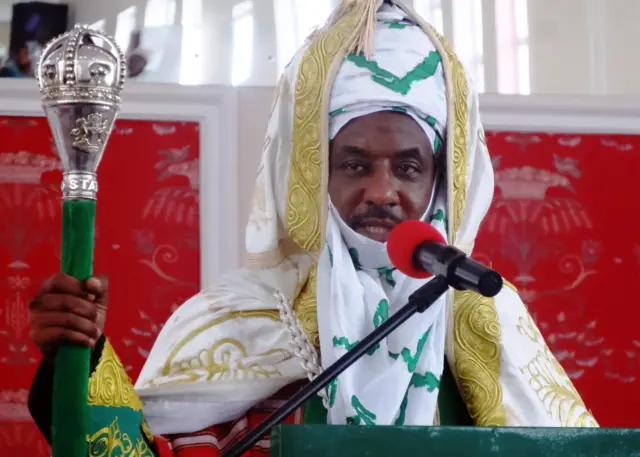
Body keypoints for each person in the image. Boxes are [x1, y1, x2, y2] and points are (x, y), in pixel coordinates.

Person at [27, 1, 598, 456]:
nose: (381, 191)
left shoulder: (485, 317)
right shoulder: (242, 318)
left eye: (408, 167)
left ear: (441, 183)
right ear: (309, 172)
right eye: (353, 164)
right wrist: (73, 357)